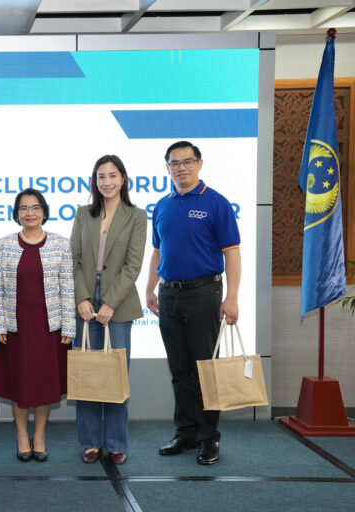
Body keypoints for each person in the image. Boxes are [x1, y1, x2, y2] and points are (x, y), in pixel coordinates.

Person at [146, 141, 241, 466]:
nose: (181, 167)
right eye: (175, 163)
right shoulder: (162, 205)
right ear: (167, 168)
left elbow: (232, 253)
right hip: (169, 295)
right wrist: (150, 289)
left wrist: (232, 296)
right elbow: (157, 251)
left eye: (187, 161)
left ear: (200, 163)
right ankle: (186, 432)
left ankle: (208, 436)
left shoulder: (217, 203)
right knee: (180, 370)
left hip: (204, 294)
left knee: (205, 369)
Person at [70, 155, 147, 466]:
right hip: (86, 299)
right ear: (95, 181)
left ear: (123, 179)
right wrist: (82, 297)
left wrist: (110, 302)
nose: (107, 182)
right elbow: (74, 259)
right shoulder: (82, 214)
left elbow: (133, 265)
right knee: (87, 373)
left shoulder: (137, 216)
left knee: (115, 375)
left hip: (120, 300)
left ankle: (116, 443)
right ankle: (90, 442)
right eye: (101, 176)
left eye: (113, 175)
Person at [0, 188, 75, 463]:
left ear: (44, 212)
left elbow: (68, 288)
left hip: (49, 327)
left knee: (43, 384)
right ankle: (21, 436)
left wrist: (68, 327)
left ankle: (39, 436)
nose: (30, 213)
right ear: (16, 214)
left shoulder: (60, 244)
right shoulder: (4, 244)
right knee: (19, 383)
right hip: (15, 327)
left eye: (35, 207)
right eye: (24, 208)